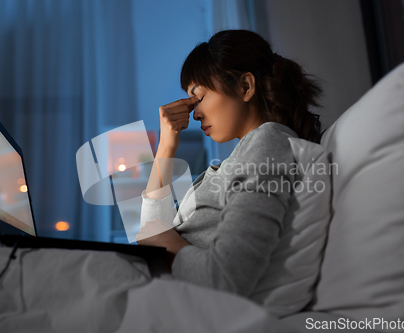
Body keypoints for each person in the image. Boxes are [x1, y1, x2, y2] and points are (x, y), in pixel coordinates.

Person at [136, 29, 323, 313]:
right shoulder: (243, 156)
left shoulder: (269, 142)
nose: (195, 113)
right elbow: (151, 227)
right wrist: (166, 147)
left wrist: (163, 241)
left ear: (246, 86)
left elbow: (225, 278)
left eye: (197, 97)